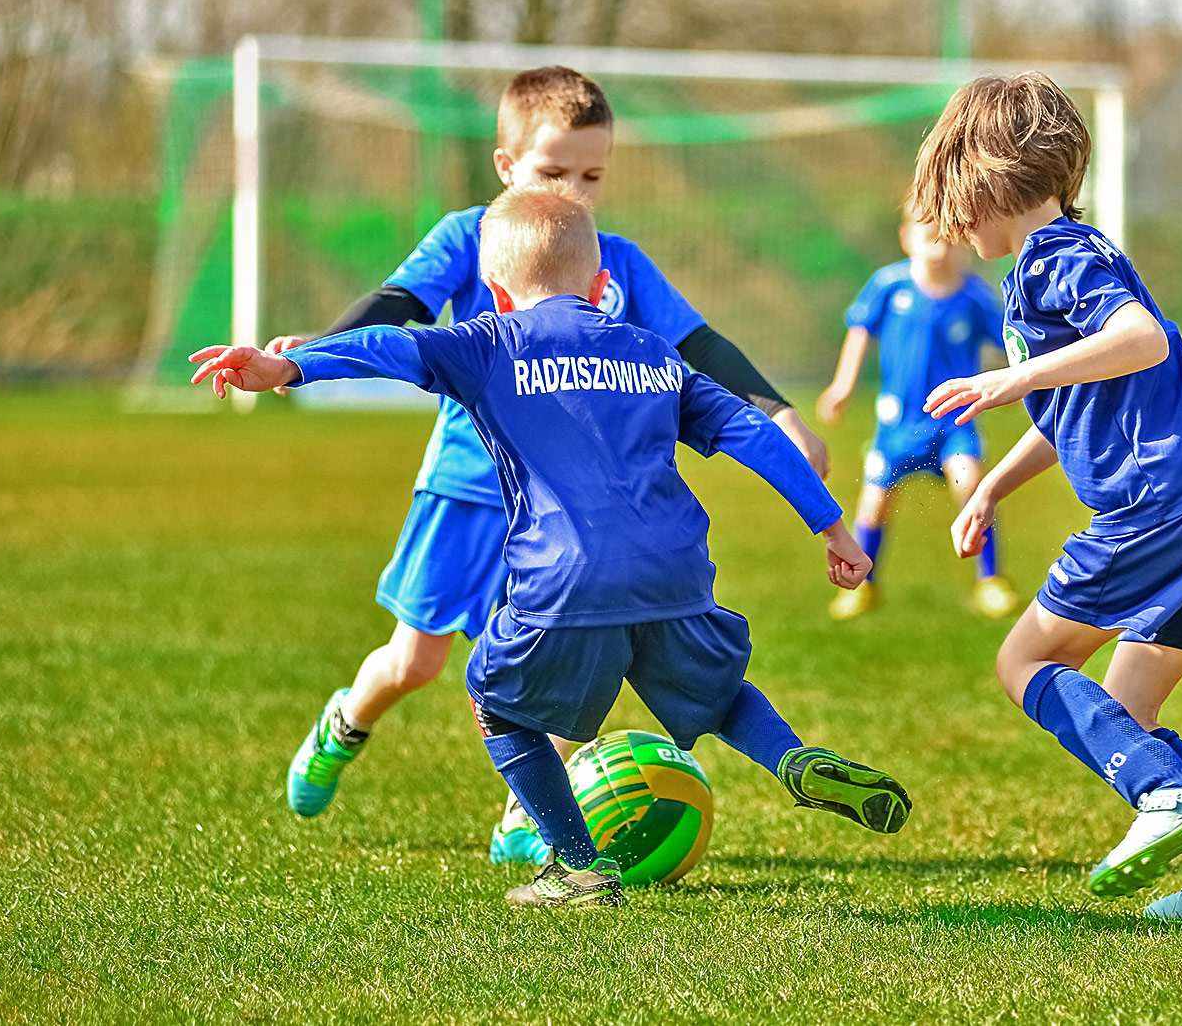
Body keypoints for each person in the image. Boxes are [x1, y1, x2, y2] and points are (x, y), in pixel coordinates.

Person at [190, 182, 908, 908]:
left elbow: (393, 343)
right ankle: (795, 761)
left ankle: (579, 869)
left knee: (494, 701)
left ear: (496, 293)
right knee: (719, 696)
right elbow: (754, 434)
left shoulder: (488, 341)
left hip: (563, 573)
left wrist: (292, 365)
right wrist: (834, 529)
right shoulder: (654, 354)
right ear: (603, 286)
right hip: (675, 570)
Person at [271, 67, 832, 867]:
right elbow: (399, 307)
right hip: (465, 492)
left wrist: (779, 410)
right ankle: (345, 723)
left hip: (568, 509)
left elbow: (698, 346)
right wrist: (316, 352)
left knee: (570, 660)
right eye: (553, 172)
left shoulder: (615, 261)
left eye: (592, 175)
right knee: (416, 661)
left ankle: (522, 819)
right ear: (506, 166)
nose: (575, 192)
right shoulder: (472, 235)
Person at [908, 73, 1182, 923]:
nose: (952, 223)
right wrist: (996, 486)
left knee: (1025, 663)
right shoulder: (1083, 251)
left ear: (986, 177)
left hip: (1163, 500)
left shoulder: (1056, 258)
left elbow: (1139, 341)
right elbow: (1079, 400)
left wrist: (1013, 376)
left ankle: (1166, 796)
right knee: (1124, 708)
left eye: (953, 196)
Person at [815, 218, 1019, 621]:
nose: (940, 249)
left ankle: (990, 580)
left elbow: (1008, 343)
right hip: (898, 426)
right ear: (906, 237)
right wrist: (842, 386)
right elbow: (859, 332)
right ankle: (864, 585)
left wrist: (1020, 380)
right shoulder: (889, 285)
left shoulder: (974, 297)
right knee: (873, 505)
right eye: (930, 238)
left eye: (948, 239)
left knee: (973, 486)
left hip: (954, 423)